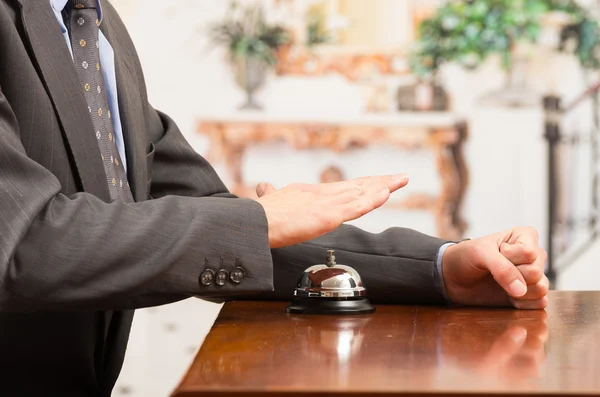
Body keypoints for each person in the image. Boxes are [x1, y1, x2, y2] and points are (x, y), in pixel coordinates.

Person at [0, 0, 548, 396]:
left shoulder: (96, 26)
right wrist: (260, 219)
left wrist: (440, 267)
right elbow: (23, 243)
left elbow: (223, 225)